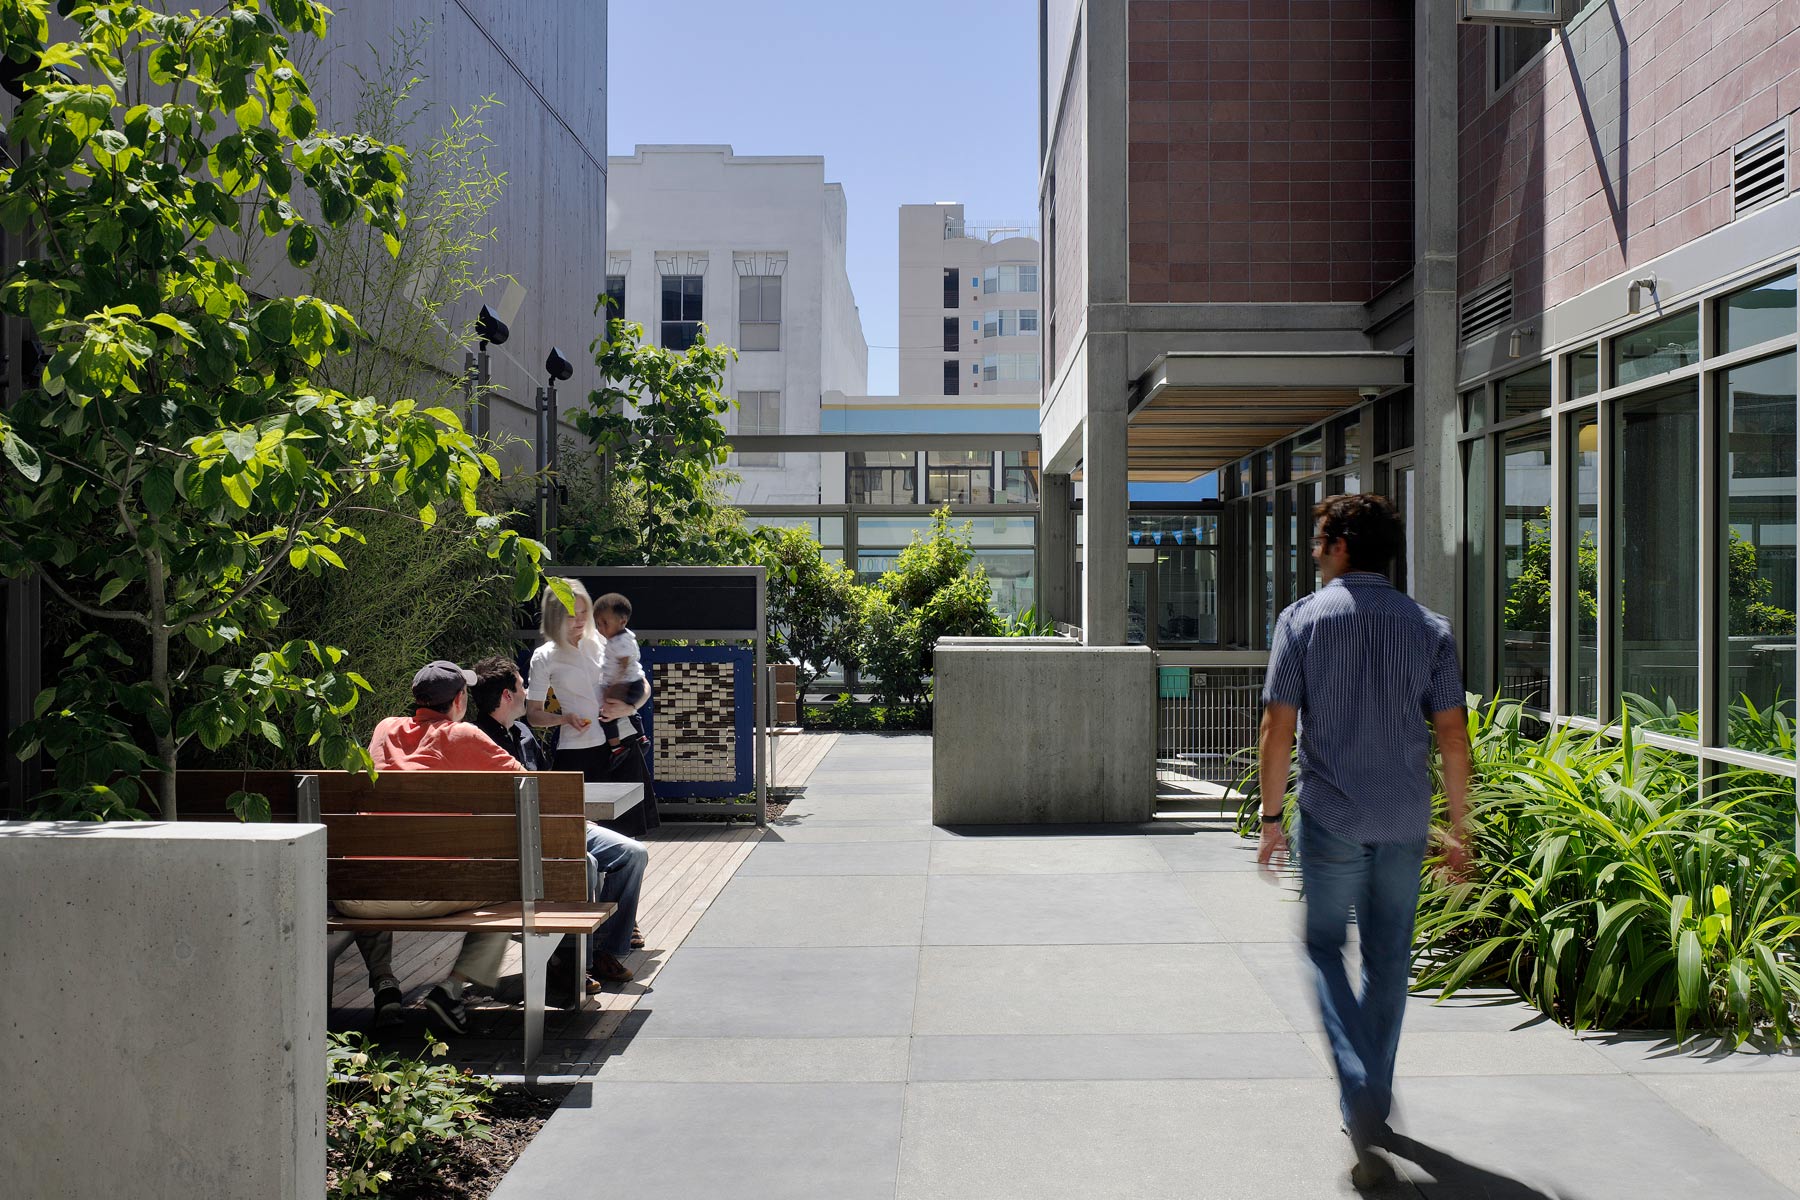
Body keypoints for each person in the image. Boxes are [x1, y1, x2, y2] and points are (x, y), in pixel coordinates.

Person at [1255, 494, 1472, 1189]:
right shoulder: (1430, 629)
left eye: (1319, 538)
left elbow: (1278, 729)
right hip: (1406, 822)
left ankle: (1356, 1080)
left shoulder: (1302, 621)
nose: (1313, 549)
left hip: (1332, 819)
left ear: (1344, 543)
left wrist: (1267, 817)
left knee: (1323, 947)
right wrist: (1459, 828)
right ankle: (1370, 1094)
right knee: (1388, 961)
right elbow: (1452, 737)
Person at [338, 660, 527, 1037]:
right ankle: (452, 989)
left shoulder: (384, 729)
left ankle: (385, 987)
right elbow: (528, 786)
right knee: (509, 890)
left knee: (374, 863)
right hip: (429, 891)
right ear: (459, 700)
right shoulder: (463, 735)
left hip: (357, 895)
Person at [468, 655, 645, 987]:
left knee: (633, 854)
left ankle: (605, 949)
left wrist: (574, 822)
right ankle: (578, 963)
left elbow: (547, 787)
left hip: (554, 828)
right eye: (522, 685)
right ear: (507, 695)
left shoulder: (522, 732)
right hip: (518, 842)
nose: (529, 691)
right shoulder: (477, 739)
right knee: (586, 864)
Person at [527, 578, 660, 838]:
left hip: (621, 745)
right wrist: (564, 719)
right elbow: (533, 714)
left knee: (626, 837)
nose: (579, 620)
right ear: (555, 616)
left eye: (584, 612)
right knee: (576, 837)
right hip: (577, 752)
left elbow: (643, 684)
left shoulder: (604, 641)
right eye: (570, 614)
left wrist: (628, 707)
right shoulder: (544, 657)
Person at [592, 592, 649, 750]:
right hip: (630, 683)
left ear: (622, 621)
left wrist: (615, 687)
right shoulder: (616, 638)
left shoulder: (621, 640)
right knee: (618, 711)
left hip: (628, 684)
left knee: (607, 715)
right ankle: (640, 737)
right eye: (598, 624)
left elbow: (623, 665)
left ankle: (617, 748)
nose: (601, 628)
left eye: (605, 623)